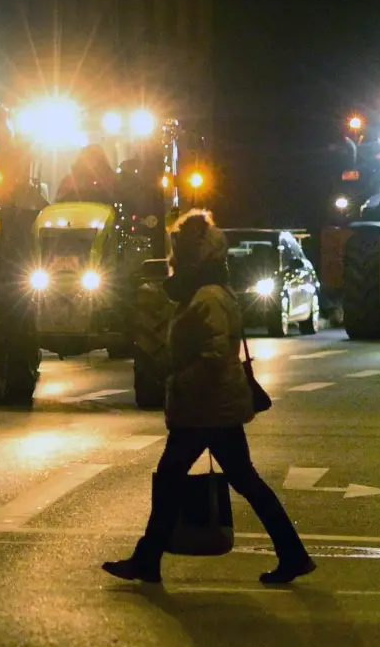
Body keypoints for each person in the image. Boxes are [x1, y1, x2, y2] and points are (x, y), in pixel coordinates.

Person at [103, 210, 316, 585]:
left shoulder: (209, 296)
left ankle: (147, 560)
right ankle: (292, 554)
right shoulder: (203, 291)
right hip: (208, 405)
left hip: (207, 406)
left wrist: (182, 380)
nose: (175, 254)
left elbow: (216, 355)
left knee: (177, 478)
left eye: (181, 247)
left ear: (196, 253)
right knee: (234, 480)